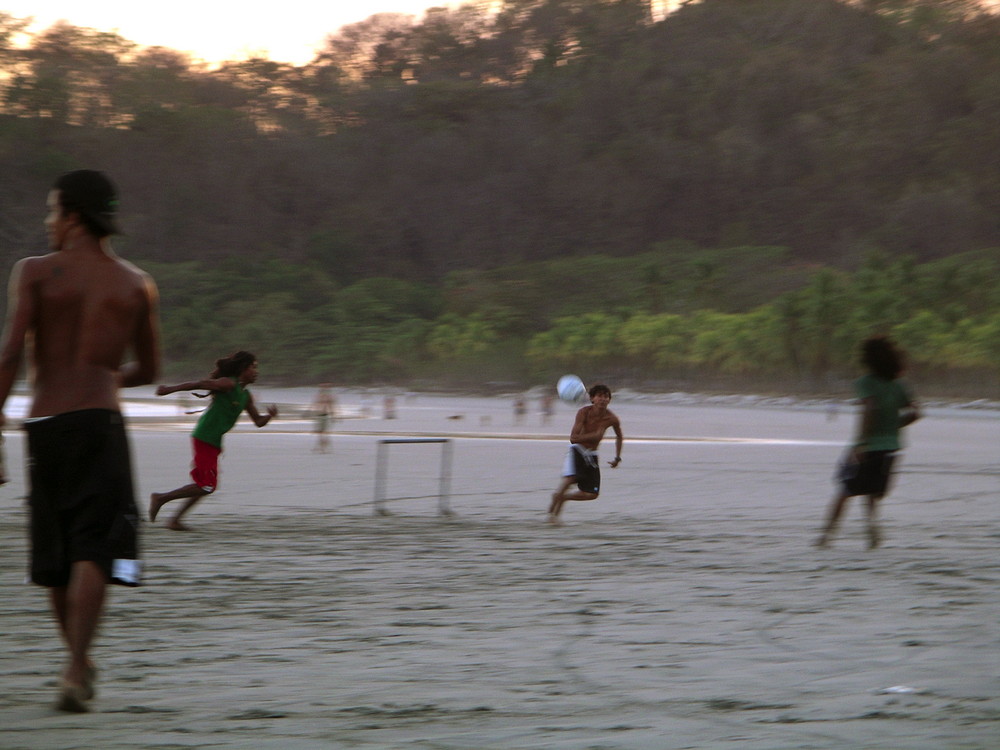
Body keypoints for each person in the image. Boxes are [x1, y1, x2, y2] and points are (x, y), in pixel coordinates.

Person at [0, 170, 160, 712]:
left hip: (45, 427)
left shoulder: (35, 273)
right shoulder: (136, 283)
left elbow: (10, 354)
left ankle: (77, 661)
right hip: (100, 424)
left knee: (56, 548)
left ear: (72, 216)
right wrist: (105, 374)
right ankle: (75, 666)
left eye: (51, 211)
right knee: (96, 544)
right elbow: (151, 369)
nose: (48, 222)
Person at [148, 351, 278, 530]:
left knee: (205, 485)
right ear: (243, 369)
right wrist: (170, 389)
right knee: (207, 486)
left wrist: (269, 416)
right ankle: (160, 498)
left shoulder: (245, 395)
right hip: (204, 437)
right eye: (253, 367)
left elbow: (258, 422)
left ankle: (175, 520)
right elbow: (201, 383)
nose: (256, 372)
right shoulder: (229, 384)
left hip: (214, 441)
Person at [815, 336, 921, 549]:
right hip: (891, 447)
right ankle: (873, 533)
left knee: (844, 491)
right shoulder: (899, 385)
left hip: (868, 445)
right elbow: (915, 413)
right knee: (871, 492)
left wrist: (862, 443)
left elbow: (869, 410)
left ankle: (826, 537)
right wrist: (892, 426)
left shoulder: (865, 383)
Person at [548, 384, 623, 524]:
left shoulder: (612, 418)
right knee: (571, 479)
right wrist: (594, 436)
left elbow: (619, 436)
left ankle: (563, 497)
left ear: (609, 400)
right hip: (577, 450)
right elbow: (573, 438)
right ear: (592, 399)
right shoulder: (584, 412)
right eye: (599, 396)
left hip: (592, 454)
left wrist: (617, 457)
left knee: (592, 494)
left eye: (606, 396)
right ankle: (553, 517)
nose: (603, 399)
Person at [311, 383, 336, 453]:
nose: (324, 390)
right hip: (319, 416)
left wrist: (333, 416)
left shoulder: (328, 397)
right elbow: (315, 406)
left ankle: (323, 448)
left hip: (325, 415)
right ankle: (321, 447)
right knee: (320, 432)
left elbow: (330, 407)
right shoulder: (319, 396)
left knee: (323, 432)